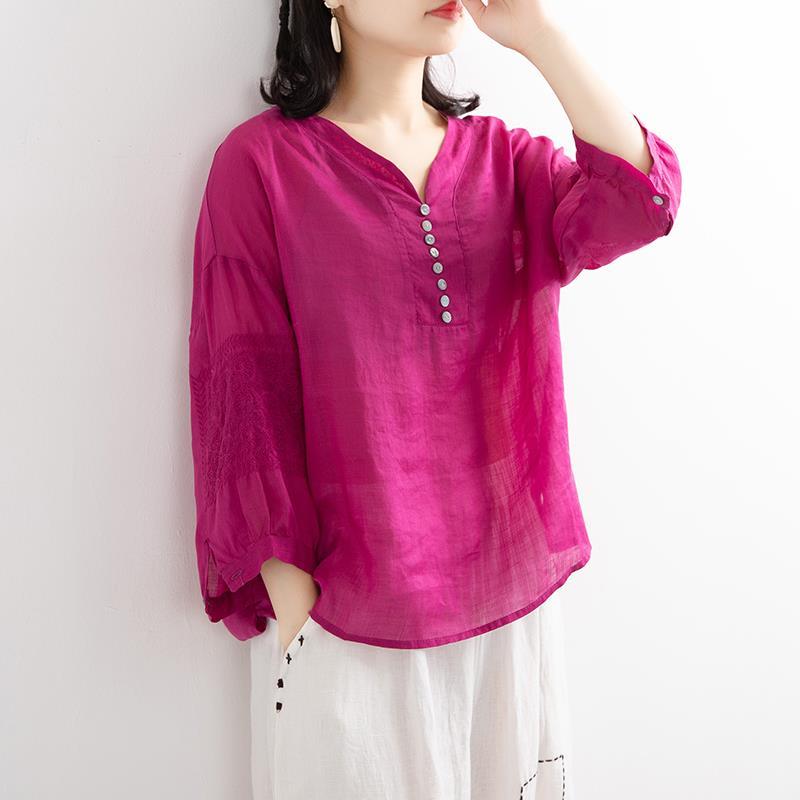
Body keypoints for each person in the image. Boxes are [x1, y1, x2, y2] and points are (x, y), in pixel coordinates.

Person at [187, 0, 682, 797]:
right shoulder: (264, 166)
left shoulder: (505, 162)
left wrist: (539, 35)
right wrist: (300, 621)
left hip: (507, 623)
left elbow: (641, 203)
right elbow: (243, 396)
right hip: (349, 632)